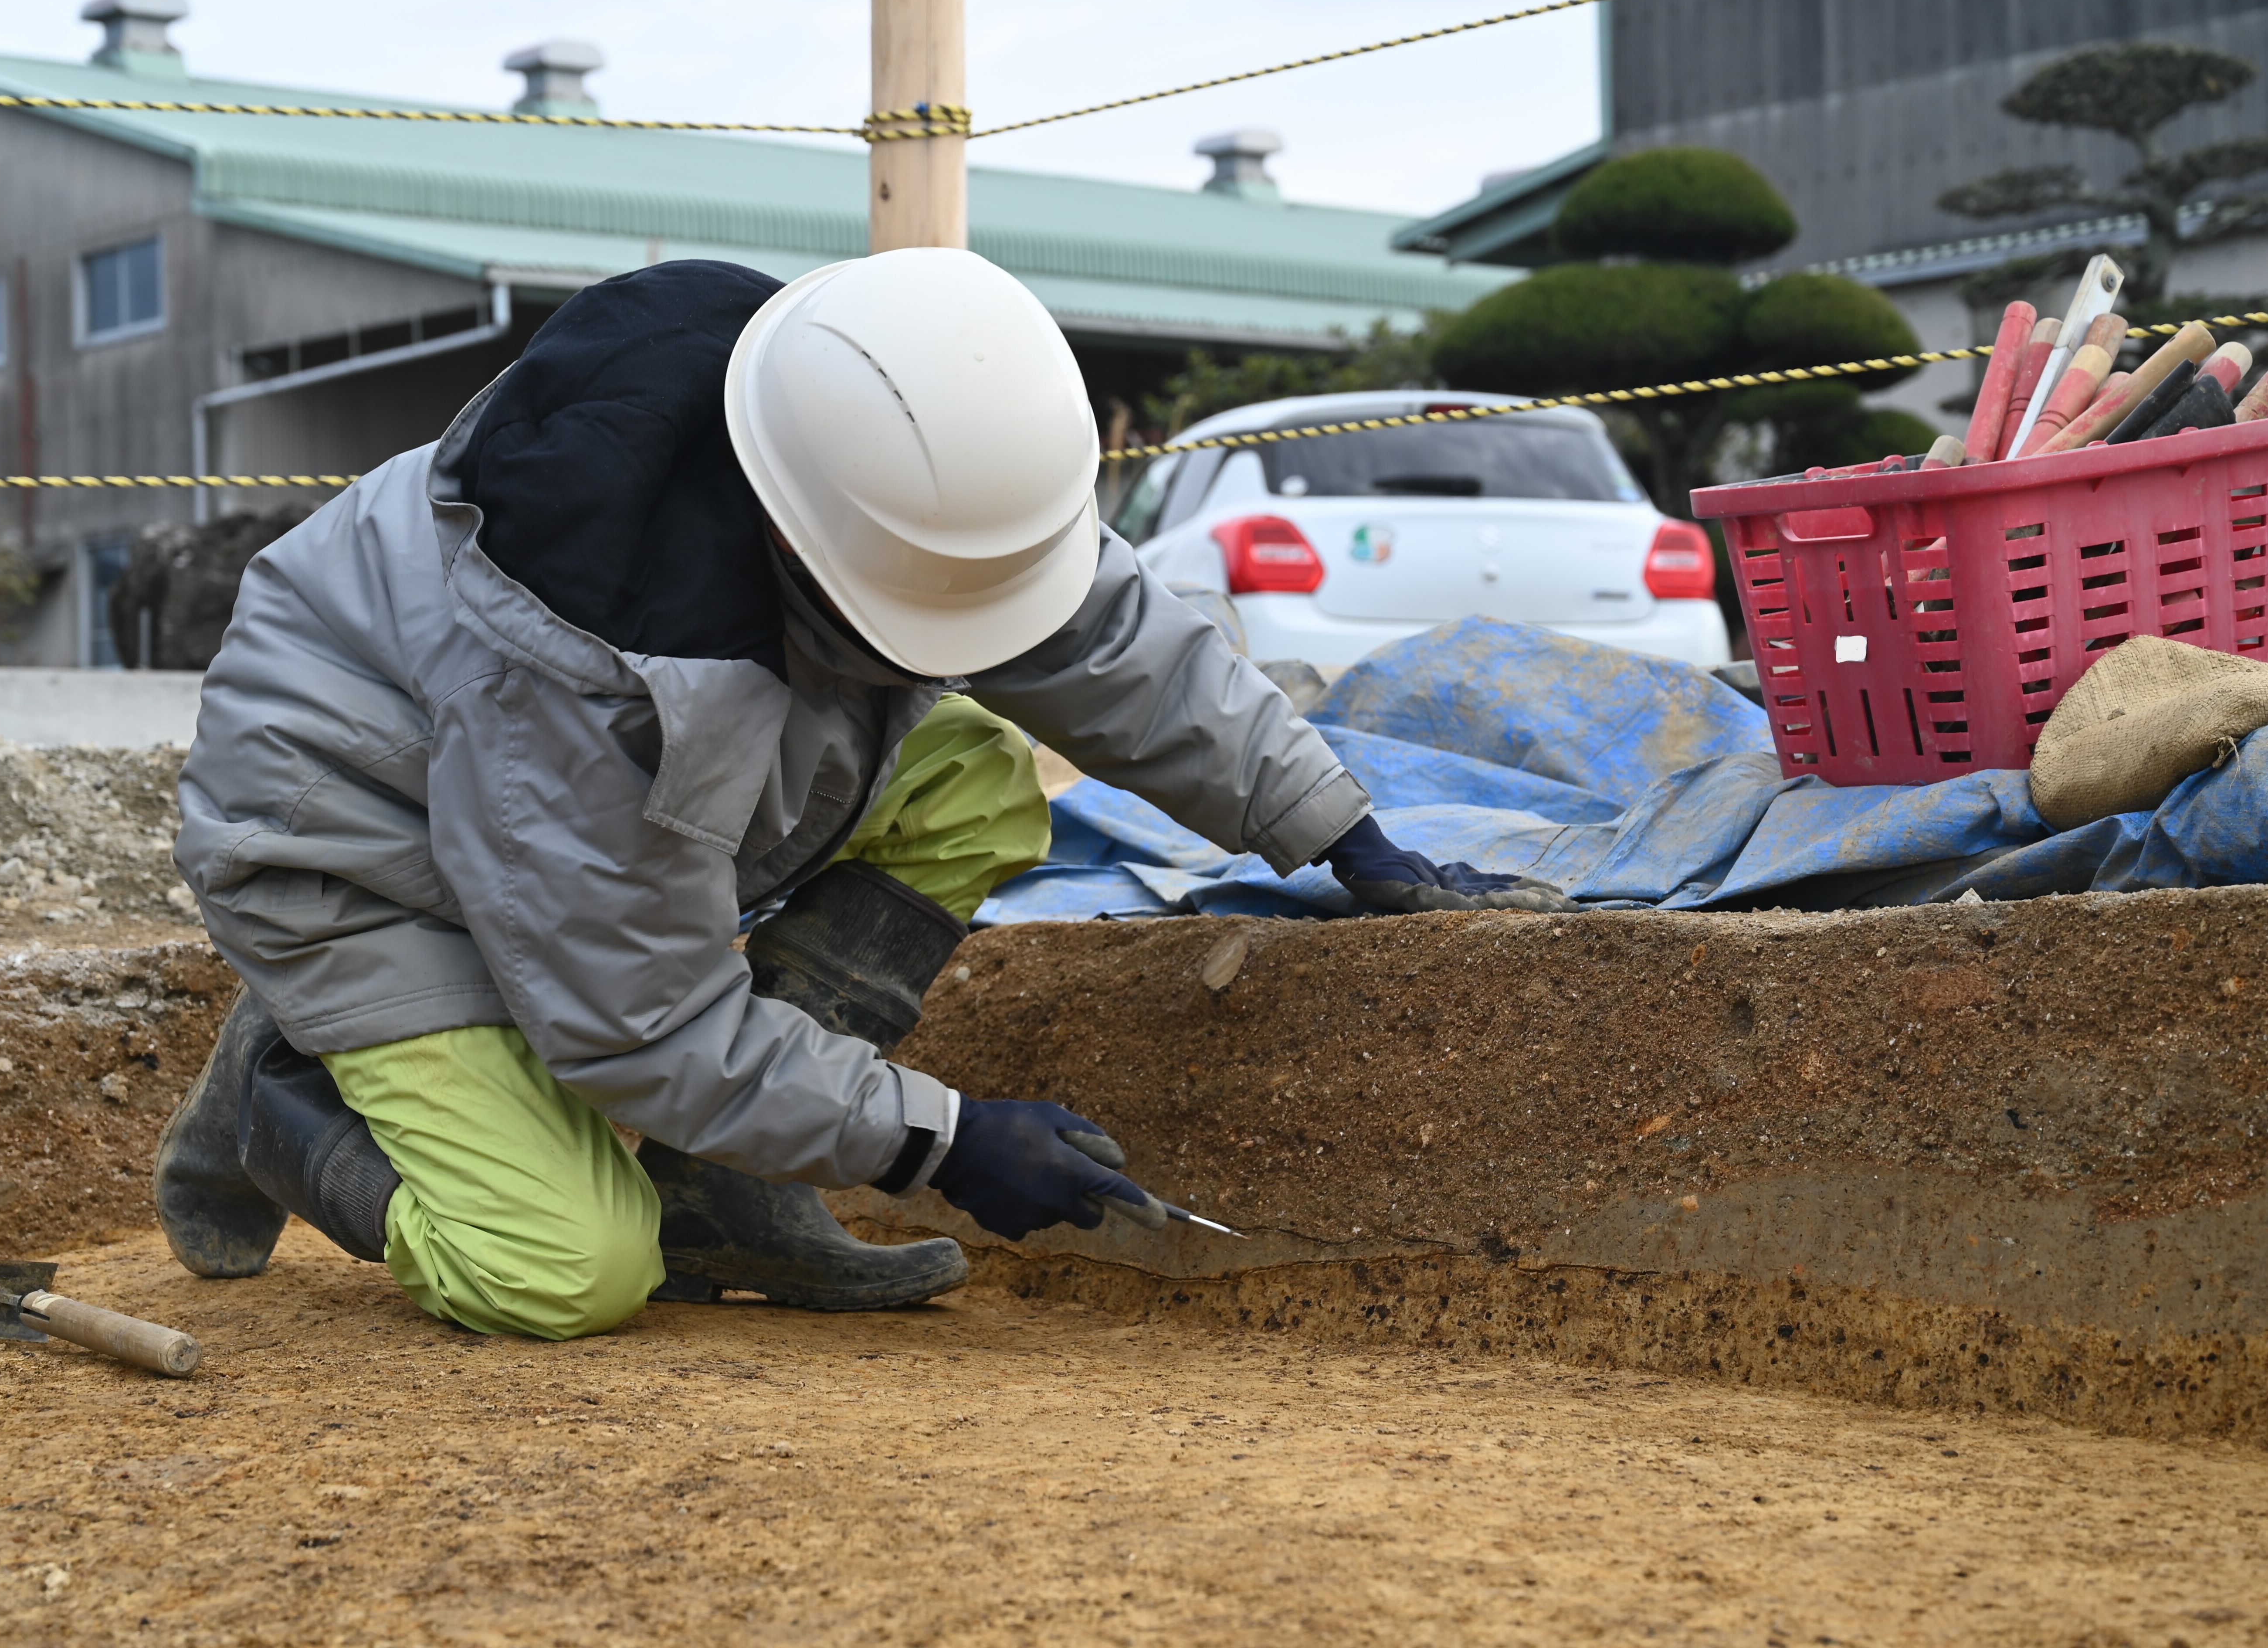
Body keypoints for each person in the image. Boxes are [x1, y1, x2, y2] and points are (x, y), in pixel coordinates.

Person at [153, 251, 1571, 1342]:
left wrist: (1334, 826)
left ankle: (722, 1191)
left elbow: (1094, 632)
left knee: (967, 781)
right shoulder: (581, 664)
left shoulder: (866, 429)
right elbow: (638, 1025)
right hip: (357, 853)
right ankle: (291, 1080)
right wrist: (930, 1138)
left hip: (548, 824)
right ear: (803, 539)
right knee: (565, 1270)